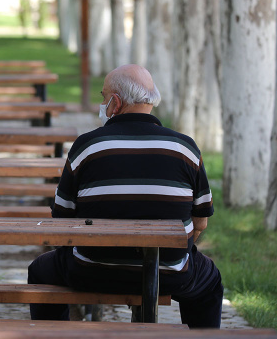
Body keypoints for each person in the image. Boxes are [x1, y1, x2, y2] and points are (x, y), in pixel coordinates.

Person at [28, 64, 223, 328]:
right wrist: (173, 255)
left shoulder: (87, 146)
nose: (102, 103)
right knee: (209, 281)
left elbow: (62, 219)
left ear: (115, 103)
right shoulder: (185, 148)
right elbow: (200, 222)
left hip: (92, 271)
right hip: (168, 275)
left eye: (103, 96)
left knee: (40, 269)